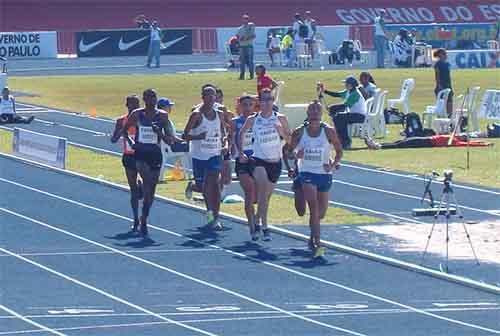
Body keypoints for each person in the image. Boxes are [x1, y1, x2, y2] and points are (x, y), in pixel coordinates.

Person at [289, 101, 342, 258]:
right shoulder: (299, 132)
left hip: (324, 175)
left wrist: (333, 165)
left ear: (321, 113)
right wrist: (295, 156)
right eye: (311, 110)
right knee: (313, 209)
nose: (314, 112)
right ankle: (318, 243)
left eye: (317, 110)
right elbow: (289, 150)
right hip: (306, 173)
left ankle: (312, 237)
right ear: (307, 112)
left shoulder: (329, 131)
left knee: (321, 213)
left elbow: (339, 150)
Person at [238, 88, 291, 241]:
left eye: (270, 100)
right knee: (261, 191)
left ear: (273, 101)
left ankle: (257, 219)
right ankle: (264, 226)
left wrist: (282, 132)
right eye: (264, 100)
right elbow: (241, 133)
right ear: (259, 102)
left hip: (275, 161)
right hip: (259, 161)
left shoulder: (281, 118)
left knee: (266, 197)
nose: (267, 103)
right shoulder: (253, 119)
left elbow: (290, 140)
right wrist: (241, 152)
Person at [122, 89, 174, 238]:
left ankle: (144, 218)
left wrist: (159, 133)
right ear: (144, 99)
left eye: (154, 97)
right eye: (149, 97)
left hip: (155, 155)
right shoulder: (137, 114)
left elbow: (169, 139)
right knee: (147, 181)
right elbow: (125, 131)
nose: (152, 99)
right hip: (141, 154)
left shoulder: (163, 116)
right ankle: (138, 218)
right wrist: (133, 143)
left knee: (151, 191)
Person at [183, 86, 227, 230]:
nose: (210, 99)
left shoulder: (219, 114)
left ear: (216, 97)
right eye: (207, 96)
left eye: (212, 96)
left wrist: (225, 144)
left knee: (214, 186)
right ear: (202, 97)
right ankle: (209, 215)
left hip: (214, 155)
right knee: (205, 189)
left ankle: (216, 218)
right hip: (198, 157)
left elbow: (223, 133)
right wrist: (198, 137)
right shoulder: (196, 115)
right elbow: (184, 136)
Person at [110, 95, 143, 232]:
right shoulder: (121, 121)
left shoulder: (143, 120)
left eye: (136, 104)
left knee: (147, 189)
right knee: (133, 191)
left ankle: (141, 186)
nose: (134, 107)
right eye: (131, 104)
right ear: (127, 105)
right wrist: (121, 130)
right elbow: (113, 139)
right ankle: (136, 219)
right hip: (129, 157)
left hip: (143, 156)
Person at [231, 94, 259, 239]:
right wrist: (231, 149)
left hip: (259, 160)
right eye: (244, 105)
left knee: (258, 197)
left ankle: (257, 219)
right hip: (242, 160)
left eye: (250, 104)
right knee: (249, 192)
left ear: (254, 105)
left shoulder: (259, 120)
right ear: (240, 106)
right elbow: (229, 138)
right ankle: (252, 226)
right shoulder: (235, 122)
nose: (247, 107)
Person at [318, 75, 366, 149]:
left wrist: (332, 108)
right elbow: (336, 94)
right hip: (354, 114)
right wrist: (324, 91)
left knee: (339, 117)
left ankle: (346, 142)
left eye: (347, 84)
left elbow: (344, 106)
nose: (345, 85)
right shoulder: (348, 91)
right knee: (337, 118)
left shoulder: (355, 94)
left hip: (360, 116)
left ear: (352, 85)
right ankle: (340, 139)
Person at [215, 87, 234, 201]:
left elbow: (231, 129)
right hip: (212, 146)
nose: (217, 100)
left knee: (227, 174)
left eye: (219, 97)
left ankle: (221, 193)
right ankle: (218, 195)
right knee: (216, 172)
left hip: (225, 144)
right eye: (215, 98)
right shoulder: (206, 113)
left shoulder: (228, 113)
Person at [365, 134, 491, 150]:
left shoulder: (456, 142)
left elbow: (470, 144)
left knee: (402, 144)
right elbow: (473, 140)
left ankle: (378, 146)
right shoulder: (454, 136)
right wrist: (482, 140)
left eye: (464, 136)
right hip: (426, 138)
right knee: (401, 141)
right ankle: (377, 144)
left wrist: (484, 144)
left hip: (427, 142)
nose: (461, 135)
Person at [434, 48, 453, 117]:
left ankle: (450, 118)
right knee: (441, 105)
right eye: (444, 54)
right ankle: (441, 119)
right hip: (441, 86)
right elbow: (437, 76)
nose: (446, 55)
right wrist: (439, 86)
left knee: (450, 103)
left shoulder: (447, 64)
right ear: (440, 55)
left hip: (448, 85)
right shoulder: (437, 64)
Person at [236, 14, 256, 80]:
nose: (245, 20)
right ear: (242, 20)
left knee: (250, 61)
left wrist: (245, 38)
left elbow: (253, 35)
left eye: (246, 18)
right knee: (242, 62)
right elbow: (237, 37)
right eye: (244, 19)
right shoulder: (240, 28)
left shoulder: (251, 26)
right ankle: (242, 75)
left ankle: (251, 75)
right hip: (242, 46)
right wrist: (240, 39)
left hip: (249, 46)